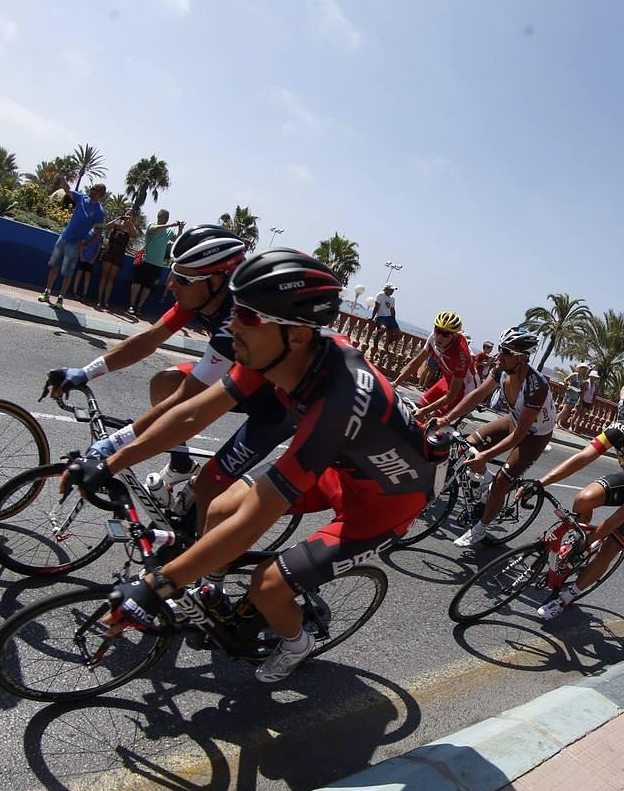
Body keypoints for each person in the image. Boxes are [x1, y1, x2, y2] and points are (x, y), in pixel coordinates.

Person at [66, 249, 441, 684]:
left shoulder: (338, 403)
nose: (232, 324)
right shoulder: (274, 352)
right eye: (236, 307)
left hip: (385, 505)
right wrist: (107, 463)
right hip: (339, 470)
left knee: (267, 584)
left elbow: (251, 523)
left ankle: (296, 643)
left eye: (247, 315)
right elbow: (190, 414)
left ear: (297, 335)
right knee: (221, 506)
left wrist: (155, 586)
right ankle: (214, 591)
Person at [51, 225, 252, 519]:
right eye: (174, 272)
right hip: (235, 373)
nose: (171, 284)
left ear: (219, 281)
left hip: (274, 403)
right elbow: (146, 341)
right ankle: (182, 468)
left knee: (208, 486)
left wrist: (112, 446)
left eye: (182, 278)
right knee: (164, 381)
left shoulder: (239, 319)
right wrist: (85, 372)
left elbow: (188, 402)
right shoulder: (202, 295)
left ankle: (202, 560)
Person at [518, 400, 624, 621]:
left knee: (611, 545)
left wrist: (593, 538)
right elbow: (583, 457)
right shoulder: (619, 430)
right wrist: (542, 483)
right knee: (583, 499)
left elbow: (619, 517)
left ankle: (567, 596)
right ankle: (576, 543)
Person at [433, 327, 558, 548]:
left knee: (502, 482)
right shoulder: (501, 369)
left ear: (522, 357)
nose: (500, 355)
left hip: (534, 434)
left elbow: (520, 434)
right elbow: (477, 395)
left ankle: (480, 529)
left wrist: (485, 456)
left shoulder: (536, 386)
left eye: (507, 352)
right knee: (466, 448)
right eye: (501, 349)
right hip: (514, 419)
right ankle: (486, 479)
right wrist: (448, 418)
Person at [396, 311, 478, 422]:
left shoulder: (461, 356)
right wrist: (396, 383)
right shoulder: (433, 338)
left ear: (454, 336)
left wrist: (425, 411)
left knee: (433, 421)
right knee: (419, 406)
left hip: (463, 390)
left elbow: (451, 396)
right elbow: (416, 363)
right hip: (447, 380)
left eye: (445, 334)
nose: (439, 337)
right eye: (437, 330)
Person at [41, 182, 106, 307]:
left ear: (100, 194)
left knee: (67, 273)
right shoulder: (81, 198)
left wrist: (86, 244)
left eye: (94, 189)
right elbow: (67, 190)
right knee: (54, 266)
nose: (91, 190)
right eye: (91, 187)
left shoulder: (99, 211)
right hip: (63, 238)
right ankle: (47, 292)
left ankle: (60, 298)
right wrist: (62, 177)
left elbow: (98, 232)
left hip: (75, 244)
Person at [128, 209, 183, 316]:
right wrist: (171, 225)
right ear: (159, 217)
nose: (166, 219)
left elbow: (177, 240)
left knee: (148, 287)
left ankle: (139, 307)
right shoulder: (151, 225)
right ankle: (131, 305)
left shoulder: (169, 231)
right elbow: (154, 229)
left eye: (167, 217)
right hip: (145, 260)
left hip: (157, 264)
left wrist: (180, 229)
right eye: (164, 217)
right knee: (137, 283)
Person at [97, 209, 136, 309]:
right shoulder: (118, 222)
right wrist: (118, 219)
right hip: (110, 250)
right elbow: (106, 226)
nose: (128, 215)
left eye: (130, 215)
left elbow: (134, 235)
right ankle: (99, 300)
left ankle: (106, 302)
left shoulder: (131, 227)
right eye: (127, 213)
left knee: (111, 278)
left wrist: (130, 222)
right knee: (104, 276)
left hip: (119, 253)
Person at [71, 224, 103, 302]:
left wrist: (93, 259)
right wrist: (81, 256)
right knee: (79, 273)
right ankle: (74, 292)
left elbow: (98, 249)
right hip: (82, 257)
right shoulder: (87, 232)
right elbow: (81, 245)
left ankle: (84, 295)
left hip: (91, 260)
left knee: (87, 277)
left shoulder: (101, 237)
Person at [370, 283, 400, 351]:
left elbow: (392, 310)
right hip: (381, 317)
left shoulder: (392, 299)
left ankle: (387, 343)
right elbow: (376, 307)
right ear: (386, 289)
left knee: (399, 334)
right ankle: (376, 342)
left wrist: (394, 320)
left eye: (393, 290)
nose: (392, 291)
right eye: (391, 290)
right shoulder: (380, 295)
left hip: (389, 318)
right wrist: (372, 317)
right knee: (383, 329)